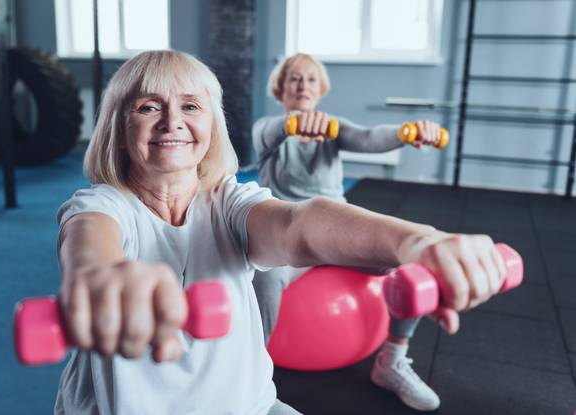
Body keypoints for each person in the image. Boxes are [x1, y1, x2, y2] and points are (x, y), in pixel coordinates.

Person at [54, 50, 506, 415]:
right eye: (149, 106)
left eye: (190, 106)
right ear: (118, 123)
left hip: (252, 407)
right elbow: (90, 245)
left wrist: (419, 241)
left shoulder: (229, 201)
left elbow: (298, 223)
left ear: (211, 125)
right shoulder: (102, 206)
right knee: (271, 280)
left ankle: (394, 358)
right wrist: (104, 277)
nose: (172, 120)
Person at [252, 53, 448, 411]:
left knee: (409, 265)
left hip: (339, 233)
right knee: (265, 276)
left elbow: (371, 137)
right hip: (289, 237)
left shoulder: (333, 127)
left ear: (320, 89)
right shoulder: (266, 127)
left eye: (310, 79)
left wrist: (409, 132)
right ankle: (247, 374)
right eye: (294, 79)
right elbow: (272, 132)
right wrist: (292, 126)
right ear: (281, 88)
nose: (302, 86)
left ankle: (393, 360)